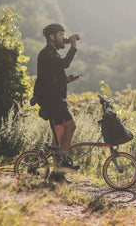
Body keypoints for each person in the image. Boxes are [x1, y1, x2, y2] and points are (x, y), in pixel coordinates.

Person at [33, 23, 81, 182]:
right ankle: (63, 162)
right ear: (52, 37)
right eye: (61, 35)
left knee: (59, 134)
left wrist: (66, 80)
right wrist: (73, 47)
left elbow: (51, 79)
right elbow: (64, 64)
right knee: (71, 125)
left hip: (51, 97)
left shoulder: (52, 53)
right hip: (50, 100)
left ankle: (57, 175)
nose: (63, 38)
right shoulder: (47, 53)